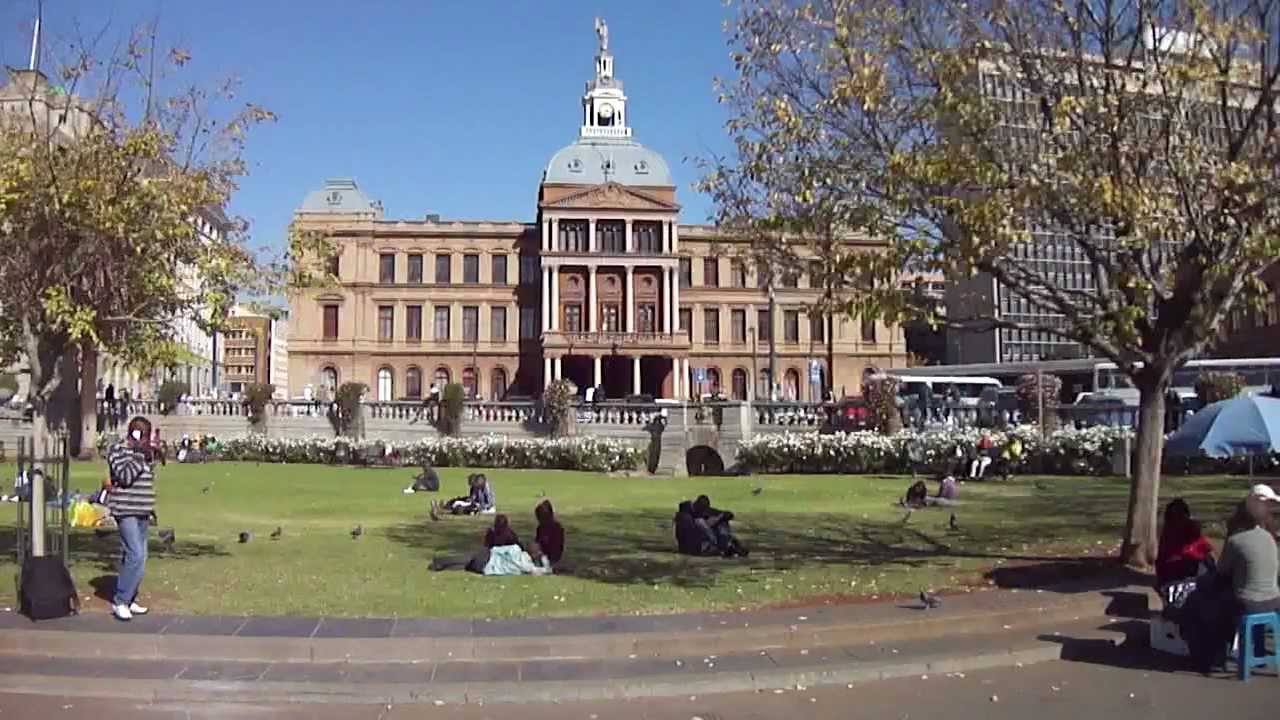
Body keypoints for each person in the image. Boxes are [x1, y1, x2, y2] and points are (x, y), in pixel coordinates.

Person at [1189, 497, 1280, 673]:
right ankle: (1259, 653)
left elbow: (1221, 572)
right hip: (1274, 601)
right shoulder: (1269, 538)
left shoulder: (1236, 541)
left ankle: (1217, 657)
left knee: (1212, 607)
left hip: (1249, 603)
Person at [105, 416, 157, 622]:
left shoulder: (143, 454)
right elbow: (125, 477)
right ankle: (120, 601)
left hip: (142, 509)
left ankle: (131, 596)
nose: (146, 440)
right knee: (135, 554)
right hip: (125, 510)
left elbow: (146, 481)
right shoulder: (117, 451)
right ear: (135, 434)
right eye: (144, 435)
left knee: (139, 557)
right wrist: (139, 456)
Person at [1155, 498, 1215, 589]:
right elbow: (1205, 551)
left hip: (1168, 577)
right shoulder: (1188, 527)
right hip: (1181, 576)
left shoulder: (1167, 529)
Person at [534, 499, 566, 567]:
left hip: (552, 557)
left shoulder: (557, 528)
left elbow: (557, 548)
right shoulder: (540, 528)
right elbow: (538, 543)